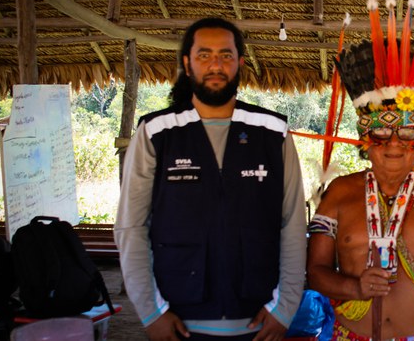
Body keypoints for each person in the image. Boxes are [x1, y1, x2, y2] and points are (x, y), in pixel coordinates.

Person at [115, 17, 306, 341]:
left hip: (259, 321)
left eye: (226, 55)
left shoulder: (273, 133)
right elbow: (132, 227)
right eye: (204, 55)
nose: (215, 64)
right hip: (177, 321)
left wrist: (284, 307)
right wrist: (151, 312)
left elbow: (292, 223)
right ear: (187, 64)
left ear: (240, 63)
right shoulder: (156, 133)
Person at [306, 0, 414, 340]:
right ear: (364, 137)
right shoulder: (339, 192)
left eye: (406, 133)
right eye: (382, 132)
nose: (393, 144)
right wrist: (355, 287)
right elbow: (316, 272)